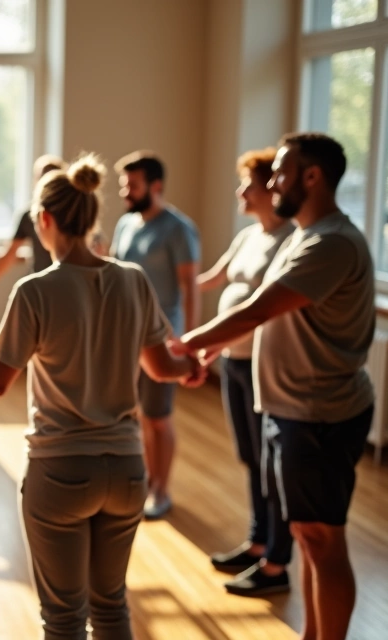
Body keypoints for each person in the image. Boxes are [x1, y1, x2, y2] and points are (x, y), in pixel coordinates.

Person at [0, 155, 205, 640]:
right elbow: (162, 368)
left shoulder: (35, 291)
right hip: (124, 469)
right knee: (112, 605)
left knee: (63, 618)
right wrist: (193, 367)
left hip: (60, 471)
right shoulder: (133, 280)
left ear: (45, 221)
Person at [180, 133, 374, 640]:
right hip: (293, 409)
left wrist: (186, 345)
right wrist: (214, 348)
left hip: (320, 415)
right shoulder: (307, 236)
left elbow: (261, 309)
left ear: (312, 178)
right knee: (307, 535)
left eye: (281, 173)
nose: (272, 183)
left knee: (322, 540)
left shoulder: (331, 242)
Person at [195, 149, 295, 596]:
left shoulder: (290, 241)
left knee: (271, 464)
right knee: (249, 457)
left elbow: (261, 311)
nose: (241, 192)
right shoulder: (249, 236)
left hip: (262, 365)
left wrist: (200, 342)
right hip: (232, 363)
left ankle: (277, 559)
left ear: (270, 191)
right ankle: (258, 541)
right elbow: (212, 278)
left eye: (248, 186)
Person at [110, 151, 201, 519]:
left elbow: (190, 287)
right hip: (127, 335)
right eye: (123, 185)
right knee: (137, 415)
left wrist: (190, 342)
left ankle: (161, 490)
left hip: (165, 337)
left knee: (158, 416)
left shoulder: (178, 228)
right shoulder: (126, 224)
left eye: (132, 185)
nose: (125, 192)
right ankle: (147, 480)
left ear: (156, 186)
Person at [0, 155, 67, 298]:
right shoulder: (29, 215)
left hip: (67, 286)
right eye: (41, 177)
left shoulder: (73, 212)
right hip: (40, 288)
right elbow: (10, 252)